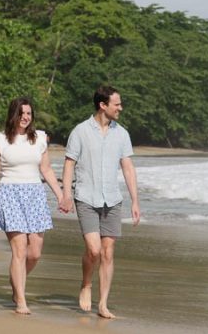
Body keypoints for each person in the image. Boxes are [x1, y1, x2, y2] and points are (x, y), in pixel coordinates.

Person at [62, 85, 141, 319]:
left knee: (108, 252)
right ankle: (86, 283)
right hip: (86, 197)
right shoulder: (80, 131)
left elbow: (128, 167)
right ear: (102, 105)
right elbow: (69, 164)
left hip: (113, 200)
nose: (121, 108)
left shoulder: (122, 134)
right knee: (94, 250)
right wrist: (66, 194)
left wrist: (135, 201)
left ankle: (103, 304)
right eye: (117, 104)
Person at [0, 97, 65, 315]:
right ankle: (20, 299)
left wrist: (60, 195)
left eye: (29, 113)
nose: (25, 117)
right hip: (9, 194)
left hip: (35, 195)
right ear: (13, 115)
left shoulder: (39, 138)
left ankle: (16, 281)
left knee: (35, 253)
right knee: (19, 250)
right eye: (21, 113)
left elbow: (46, 170)